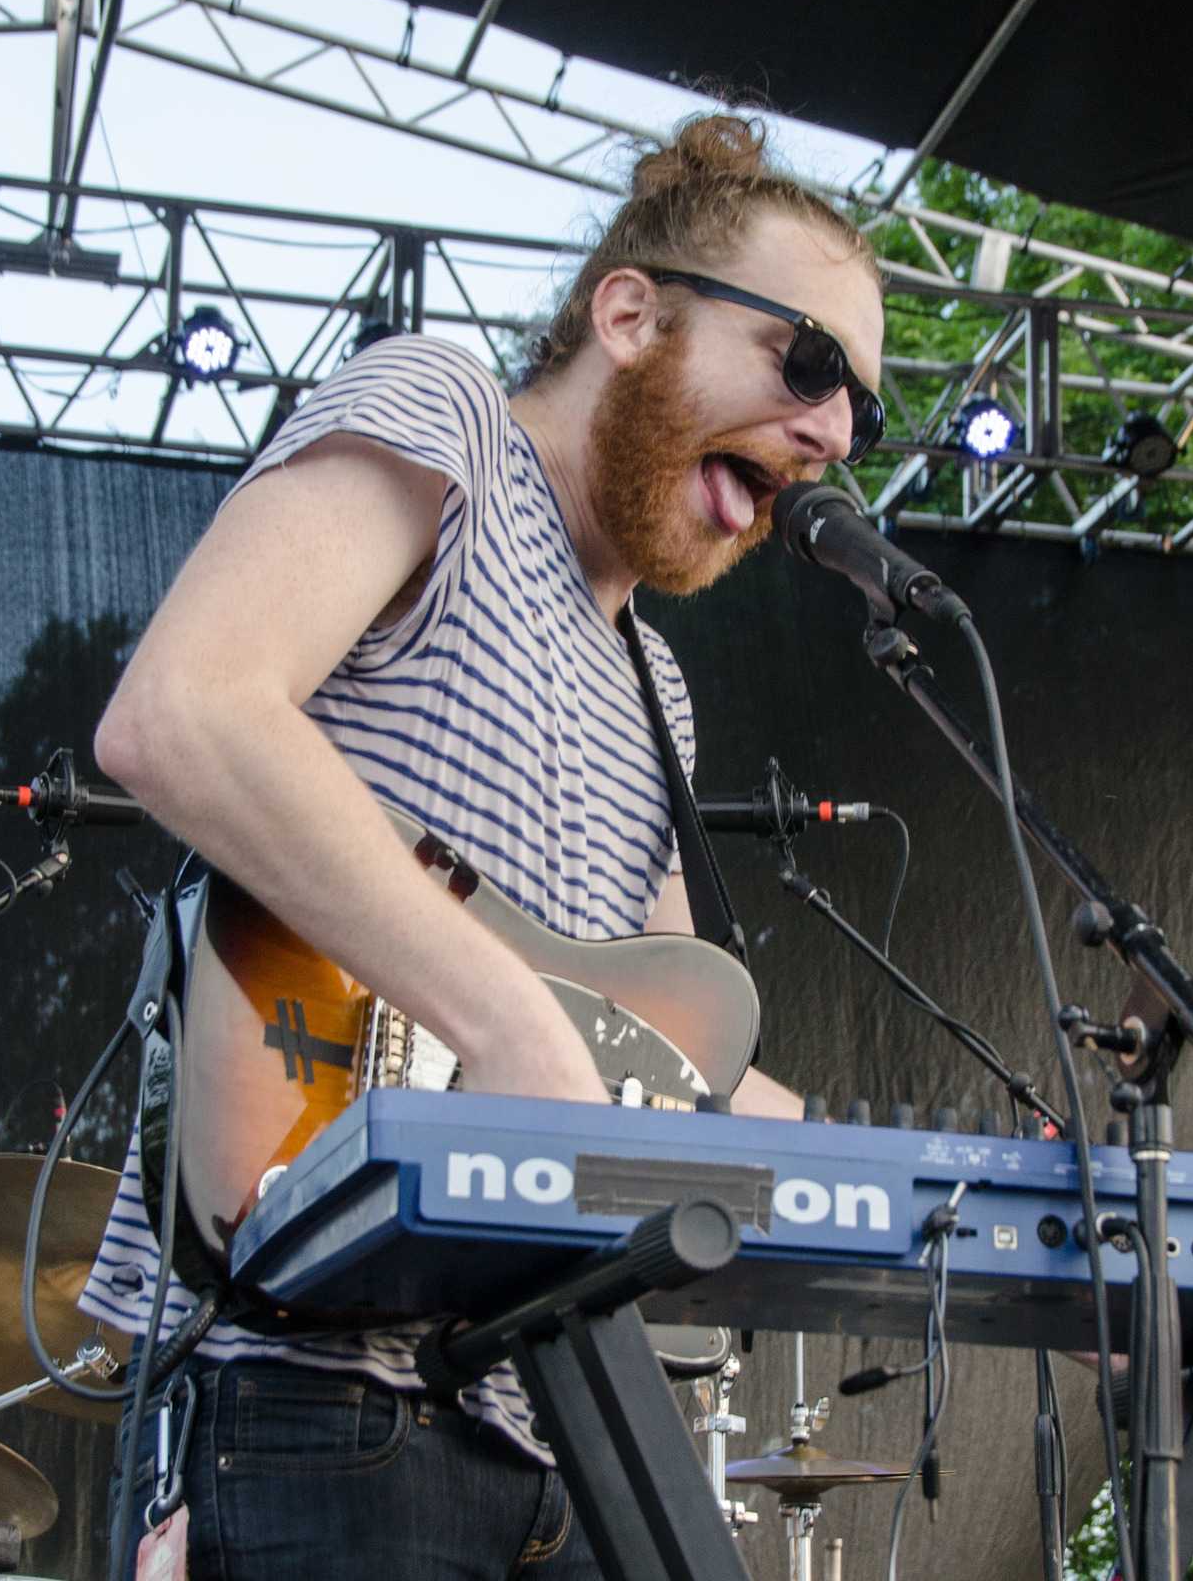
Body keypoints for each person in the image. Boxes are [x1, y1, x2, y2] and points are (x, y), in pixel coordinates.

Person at [78, 112, 887, 1580]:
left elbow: (639, 1053)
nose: (833, 430)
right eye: (809, 363)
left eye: (860, 414)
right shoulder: (441, 413)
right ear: (630, 315)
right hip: (303, 1381)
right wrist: (504, 1014)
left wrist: (924, 1182)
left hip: (548, 1415)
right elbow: (183, 714)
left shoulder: (664, 696)